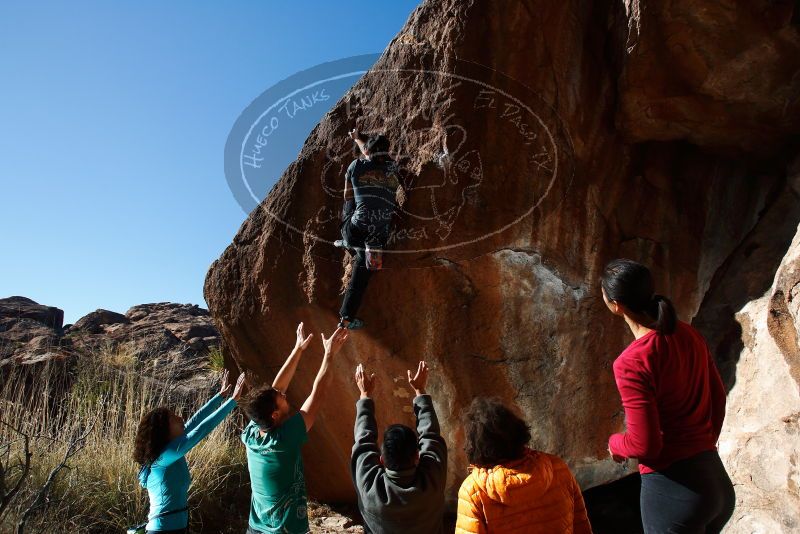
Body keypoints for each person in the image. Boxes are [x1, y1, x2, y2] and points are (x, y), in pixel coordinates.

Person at [601, 258, 734, 533]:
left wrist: (616, 444)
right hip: (716, 484)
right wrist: (703, 444)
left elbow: (644, 444)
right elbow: (718, 399)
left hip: (675, 490)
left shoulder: (632, 362)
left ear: (615, 305)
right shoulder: (687, 333)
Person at [240, 323, 349, 534]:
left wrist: (298, 349)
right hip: (285, 530)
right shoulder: (284, 439)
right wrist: (329, 354)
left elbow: (276, 388)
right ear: (274, 415)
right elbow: (317, 395)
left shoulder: (252, 433)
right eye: (280, 399)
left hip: (256, 527)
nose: (283, 394)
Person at [455, 397, 592, 534]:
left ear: (474, 445)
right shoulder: (557, 467)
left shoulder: (473, 491)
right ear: (518, 430)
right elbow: (581, 526)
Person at [134, 369, 247, 534]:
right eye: (174, 418)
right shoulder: (164, 457)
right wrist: (232, 401)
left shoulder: (170, 450)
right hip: (163, 531)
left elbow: (196, 420)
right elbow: (201, 430)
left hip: (176, 528)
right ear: (164, 430)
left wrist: (220, 396)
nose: (180, 418)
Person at [350, 361, 447, 534]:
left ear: (381, 460)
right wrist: (419, 390)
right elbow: (431, 436)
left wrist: (364, 394)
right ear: (417, 456)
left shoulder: (370, 488)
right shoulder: (432, 482)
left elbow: (363, 441)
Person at [336, 128, 401, 330]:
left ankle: (347, 240)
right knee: (362, 272)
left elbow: (348, 195)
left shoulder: (356, 166)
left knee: (349, 201)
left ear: (368, 152)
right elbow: (375, 155)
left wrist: (357, 139)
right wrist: (359, 139)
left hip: (355, 229)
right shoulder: (393, 168)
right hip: (377, 236)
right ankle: (346, 316)